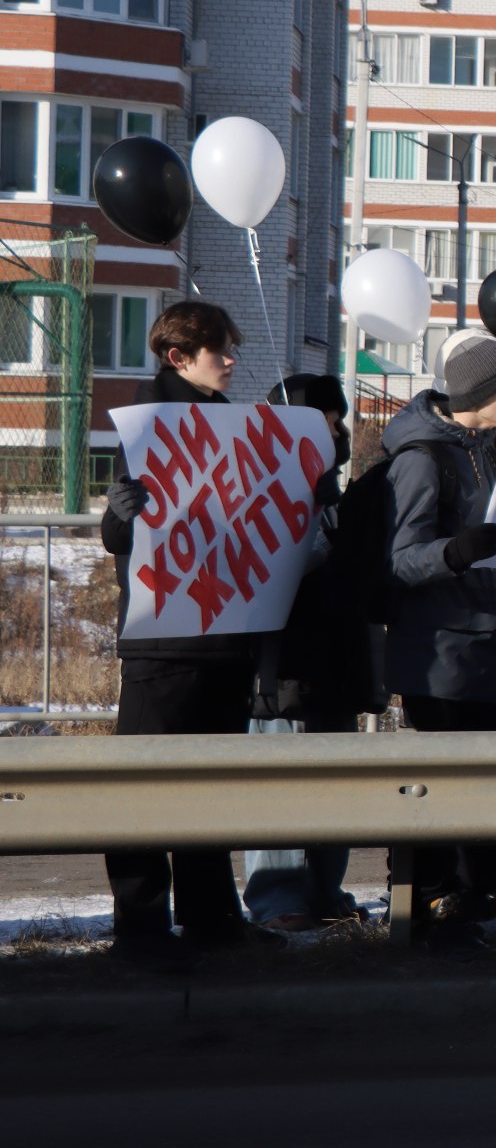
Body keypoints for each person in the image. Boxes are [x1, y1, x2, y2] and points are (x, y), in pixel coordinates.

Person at [97, 302, 278, 971]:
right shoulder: (150, 425)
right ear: (179, 356)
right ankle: (140, 930)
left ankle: (212, 920)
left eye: (229, 348)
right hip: (164, 645)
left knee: (210, 794)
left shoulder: (231, 423)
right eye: (218, 350)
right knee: (141, 793)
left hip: (224, 636)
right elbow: (123, 535)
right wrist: (120, 515)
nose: (230, 360)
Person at [381, 331, 496, 948]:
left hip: (488, 641)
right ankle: (427, 898)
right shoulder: (423, 457)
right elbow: (401, 560)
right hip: (439, 649)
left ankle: (476, 890)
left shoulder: (493, 446)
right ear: (482, 393)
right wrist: (455, 552)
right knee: (440, 784)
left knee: (490, 780)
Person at [243, 374, 371, 932]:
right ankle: (277, 897)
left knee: (335, 782)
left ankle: (325, 888)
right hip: (283, 663)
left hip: (336, 655)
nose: (340, 430)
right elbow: (270, 568)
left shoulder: (336, 490)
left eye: (340, 419)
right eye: (328, 418)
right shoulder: (260, 487)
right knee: (280, 783)